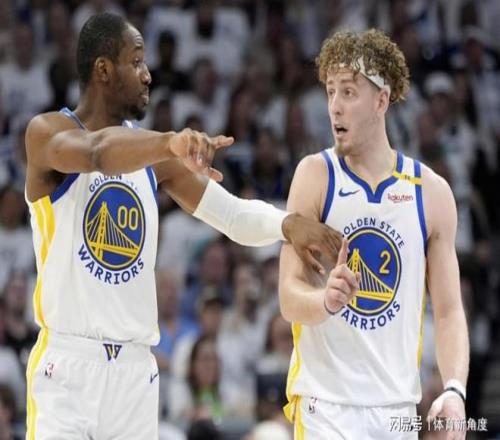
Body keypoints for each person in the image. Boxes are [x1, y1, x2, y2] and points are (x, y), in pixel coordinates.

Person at [23, 12, 342, 440]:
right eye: (136, 62)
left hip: (135, 372)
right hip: (68, 366)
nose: (148, 74)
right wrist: (168, 142)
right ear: (103, 69)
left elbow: (232, 216)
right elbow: (97, 152)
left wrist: (287, 224)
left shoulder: (154, 156)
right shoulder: (47, 133)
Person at [279, 29, 469, 439]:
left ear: (382, 101)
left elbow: (449, 310)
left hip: (397, 411)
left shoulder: (431, 193)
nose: (335, 106)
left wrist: (454, 389)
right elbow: (289, 296)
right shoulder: (315, 176)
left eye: (349, 92)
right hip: (325, 407)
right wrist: (325, 300)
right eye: (330, 91)